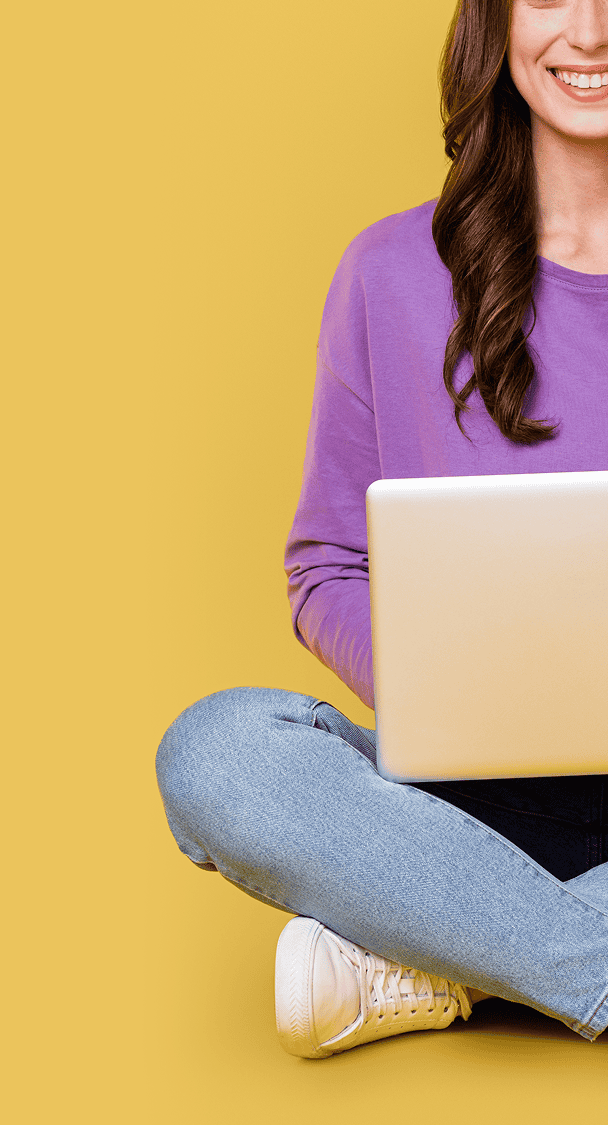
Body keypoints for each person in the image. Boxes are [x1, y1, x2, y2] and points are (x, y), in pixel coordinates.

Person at [155, 0, 608, 1059]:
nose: (588, 31)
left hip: (452, 872)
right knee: (217, 752)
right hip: (456, 813)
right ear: (492, 24)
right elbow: (324, 566)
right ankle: (547, 957)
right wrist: (454, 691)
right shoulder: (393, 272)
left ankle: (440, 966)